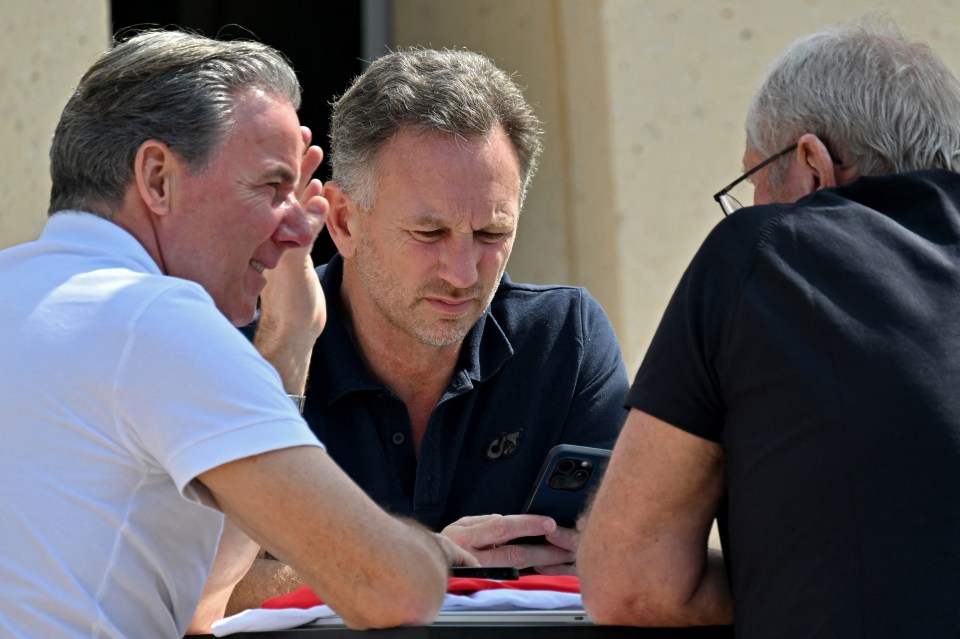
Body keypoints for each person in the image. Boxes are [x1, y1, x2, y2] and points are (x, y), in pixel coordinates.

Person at [0, 29, 474, 639]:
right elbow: (391, 589)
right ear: (157, 178)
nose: (298, 230)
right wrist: (445, 555)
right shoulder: (155, 318)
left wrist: (290, 339)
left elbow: (199, 602)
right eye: (271, 188)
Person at [579, 20, 960, 637]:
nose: (750, 206)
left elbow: (631, 579)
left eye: (752, 182)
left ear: (810, 165)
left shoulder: (762, 250)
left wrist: (810, 575)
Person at [233, 46, 629, 607]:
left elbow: (628, 563)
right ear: (343, 222)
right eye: (429, 234)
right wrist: (424, 562)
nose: (463, 274)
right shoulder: (250, 340)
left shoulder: (565, 336)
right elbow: (207, 590)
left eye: (492, 235)